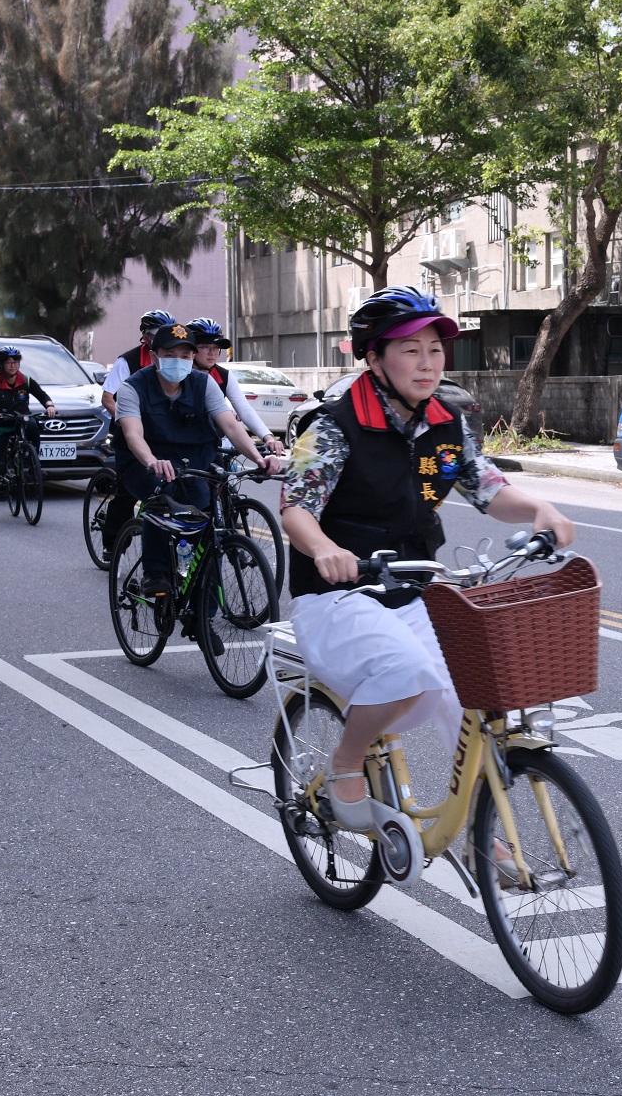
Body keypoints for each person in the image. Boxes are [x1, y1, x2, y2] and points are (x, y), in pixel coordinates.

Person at [279, 287, 575, 834]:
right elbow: (296, 509)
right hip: (337, 595)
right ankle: (346, 761)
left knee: (473, 691)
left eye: (435, 350)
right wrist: (324, 549)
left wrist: (539, 508)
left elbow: (489, 490)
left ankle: (485, 837)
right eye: (410, 350)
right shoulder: (333, 426)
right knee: (407, 671)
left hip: (411, 589)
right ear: (374, 358)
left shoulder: (447, 423)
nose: (427, 363)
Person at [116, 323, 283, 594]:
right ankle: (155, 571)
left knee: (206, 518)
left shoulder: (204, 384)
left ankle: (204, 607)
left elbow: (231, 426)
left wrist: (258, 457)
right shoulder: (132, 388)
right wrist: (151, 461)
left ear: (192, 358)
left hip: (192, 463)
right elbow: (133, 434)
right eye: (170, 355)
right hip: (144, 463)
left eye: (185, 356)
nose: (178, 361)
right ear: (154, 356)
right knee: (161, 498)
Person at [99, 308, 177, 552]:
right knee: (127, 492)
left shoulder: (175, 360)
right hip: (129, 432)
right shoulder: (128, 361)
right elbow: (108, 398)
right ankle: (112, 545)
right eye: (156, 333)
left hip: (160, 432)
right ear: (145, 336)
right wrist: (128, 419)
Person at [0, 344, 57, 519]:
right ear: (2, 365)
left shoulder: (25, 380)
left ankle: (32, 462)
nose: (13, 365)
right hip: (0, 424)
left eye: (16, 362)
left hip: (20, 421)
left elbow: (42, 395)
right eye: (9, 362)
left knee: (33, 426)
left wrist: (49, 406)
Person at [187, 317, 286, 457]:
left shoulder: (223, 376)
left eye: (216, 347)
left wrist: (268, 437)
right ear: (191, 349)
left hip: (211, 445)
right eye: (205, 347)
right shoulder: (180, 374)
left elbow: (244, 409)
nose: (212, 352)